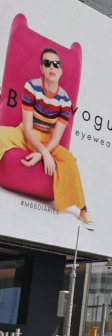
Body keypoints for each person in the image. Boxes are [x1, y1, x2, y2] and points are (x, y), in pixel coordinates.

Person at [0, 48, 92, 226]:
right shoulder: (31, 87)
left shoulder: (65, 100)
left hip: (49, 140)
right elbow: (26, 128)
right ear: (41, 68)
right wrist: (44, 154)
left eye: (56, 64)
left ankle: (83, 209)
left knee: (70, 162)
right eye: (47, 63)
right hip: (25, 133)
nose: (52, 67)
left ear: (61, 71)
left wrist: (43, 153)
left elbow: (57, 136)